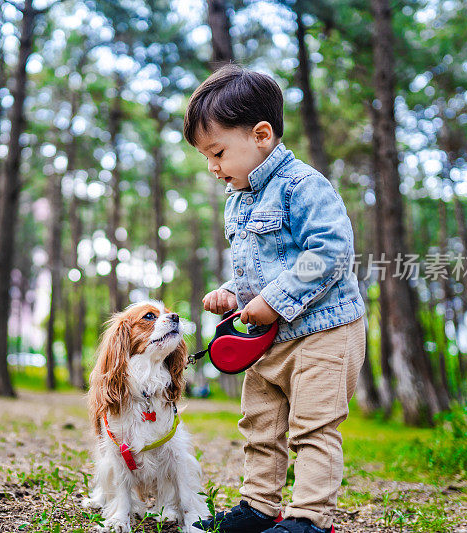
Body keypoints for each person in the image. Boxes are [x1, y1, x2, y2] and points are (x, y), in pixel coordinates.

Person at [184, 64, 366, 533]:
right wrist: (233, 294)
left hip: (323, 330)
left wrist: (274, 299)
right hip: (267, 340)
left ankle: (309, 517)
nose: (213, 167)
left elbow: (328, 251)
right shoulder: (237, 199)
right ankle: (259, 505)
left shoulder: (302, 186)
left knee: (314, 427)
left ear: (262, 134)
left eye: (218, 152)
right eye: (207, 157)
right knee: (260, 422)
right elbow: (256, 265)